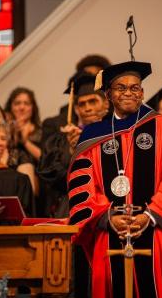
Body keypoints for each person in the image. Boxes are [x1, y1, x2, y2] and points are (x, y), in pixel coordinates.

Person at [67, 61, 162, 298]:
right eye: (121, 88)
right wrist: (107, 216)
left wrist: (149, 215)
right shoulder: (92, 136)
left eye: (135, 88)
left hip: (156, 231)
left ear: (142, 92)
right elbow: (84, 185)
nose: (129, 93)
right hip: (109, 231)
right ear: (109, 94)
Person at [38, 74, 109, 218]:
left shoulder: (117, 134)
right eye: (82, 104)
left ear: (106, 103)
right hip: (71, 208)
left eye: (93, 101)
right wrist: (72, 151)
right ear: (76, 109)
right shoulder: (62, 140)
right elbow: (50, 176)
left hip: (108, 207)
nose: (87, 108)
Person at [41, 55, 111, 144]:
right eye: (85, 75)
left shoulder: (119, 117)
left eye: (97, 78)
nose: (88, 108)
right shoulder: (55, 125)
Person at [4, 87, 42, 164]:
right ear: (10, 107)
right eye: (17, 103)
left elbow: (45, 160)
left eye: (27, 103)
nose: (22, 107)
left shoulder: (42, 130)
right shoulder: (3, 129)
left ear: (33, 108)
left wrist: (25, 141)